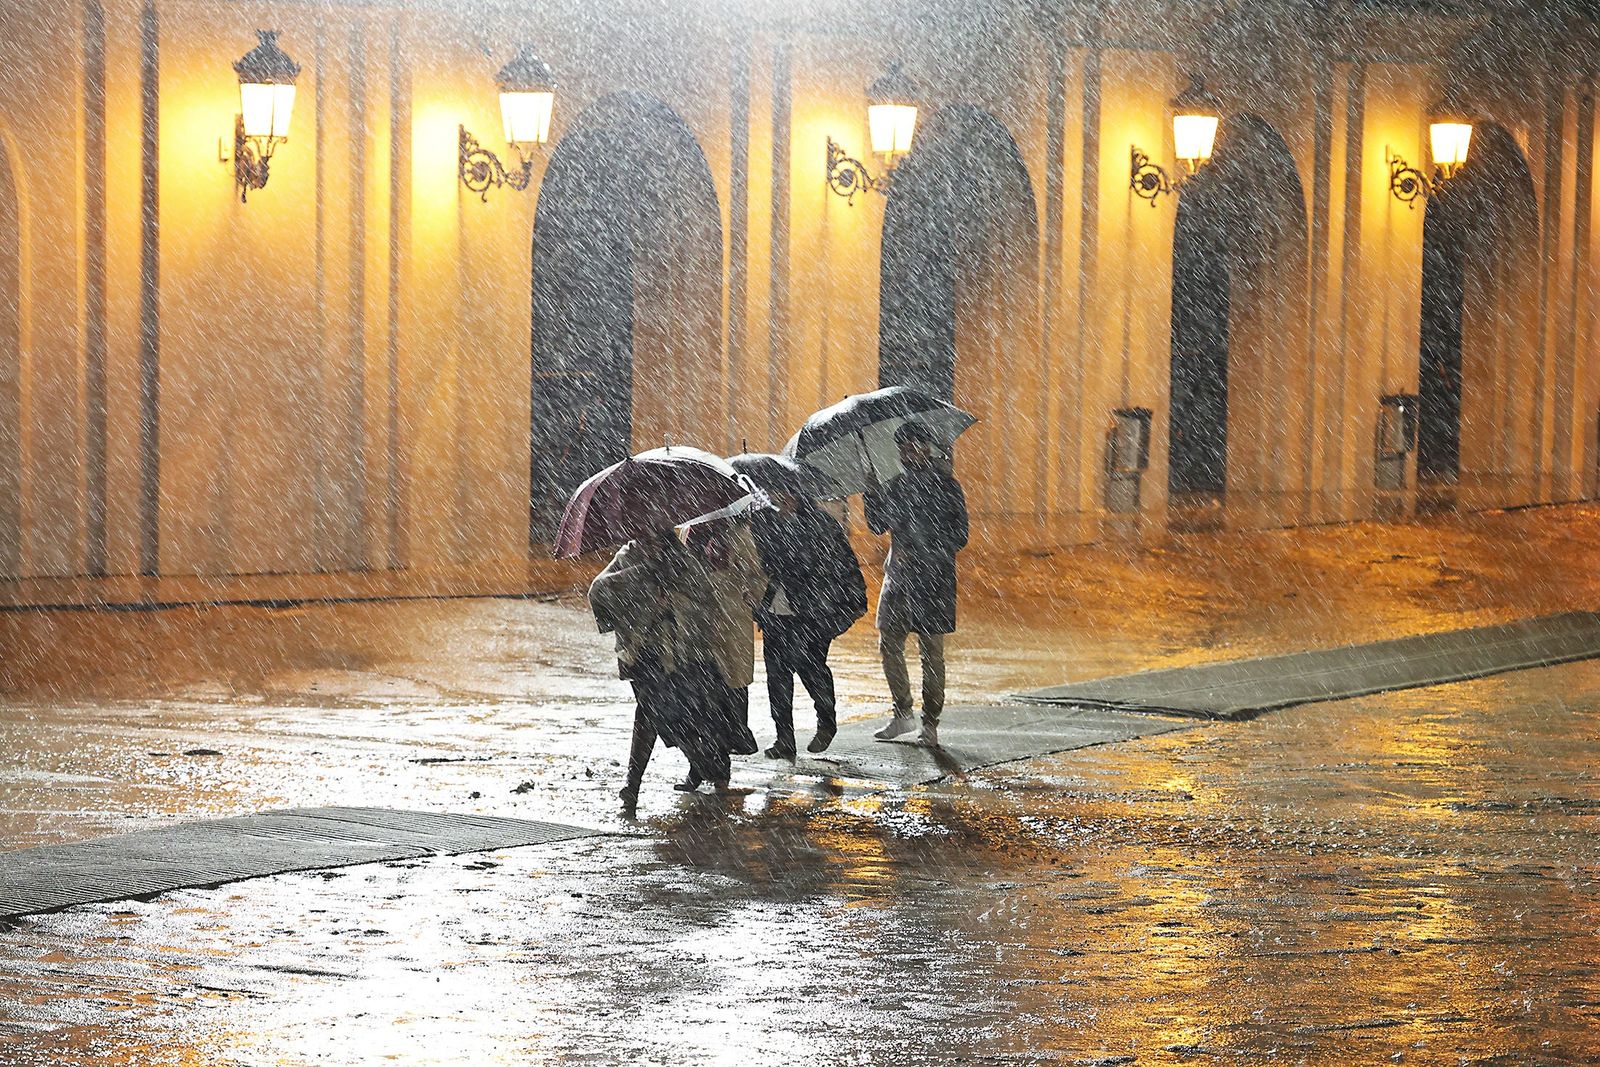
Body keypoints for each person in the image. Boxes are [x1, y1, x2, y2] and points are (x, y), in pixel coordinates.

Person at [588, 525, 758, 804]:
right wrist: (644, 589)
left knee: (682, 716)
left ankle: (707, 772)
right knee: (647, 714)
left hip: (681, 655)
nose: (650, 540)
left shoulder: (680, 558)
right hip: (645, 653)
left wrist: (675, 603)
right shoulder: (628, 557)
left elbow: (705, 601)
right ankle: (633, 784)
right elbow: (599, 592)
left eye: (655, 535)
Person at [864, 421, 969, 748]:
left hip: (933, 581)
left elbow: (959, 536)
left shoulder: (947, 487)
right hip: (898, 578)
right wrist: (871, 489)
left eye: (913, 446)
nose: (908, 452)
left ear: (927, 448)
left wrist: (922, 551)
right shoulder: (895, 485)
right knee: (888, 643)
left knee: (931, 653)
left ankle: (930, 722)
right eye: (903, 448)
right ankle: (902, 713)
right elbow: (877, 524)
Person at [748, 485, 867, 759]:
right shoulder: (767, 524)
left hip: (813, 612)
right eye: (778, 494)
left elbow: (822, 566)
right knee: (777, 677)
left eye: (787, 494)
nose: (782, 500)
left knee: (811, 669)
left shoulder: (820, 525)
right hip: (777, 610)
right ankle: (784, 738)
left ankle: (826, 721)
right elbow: (763, 563)